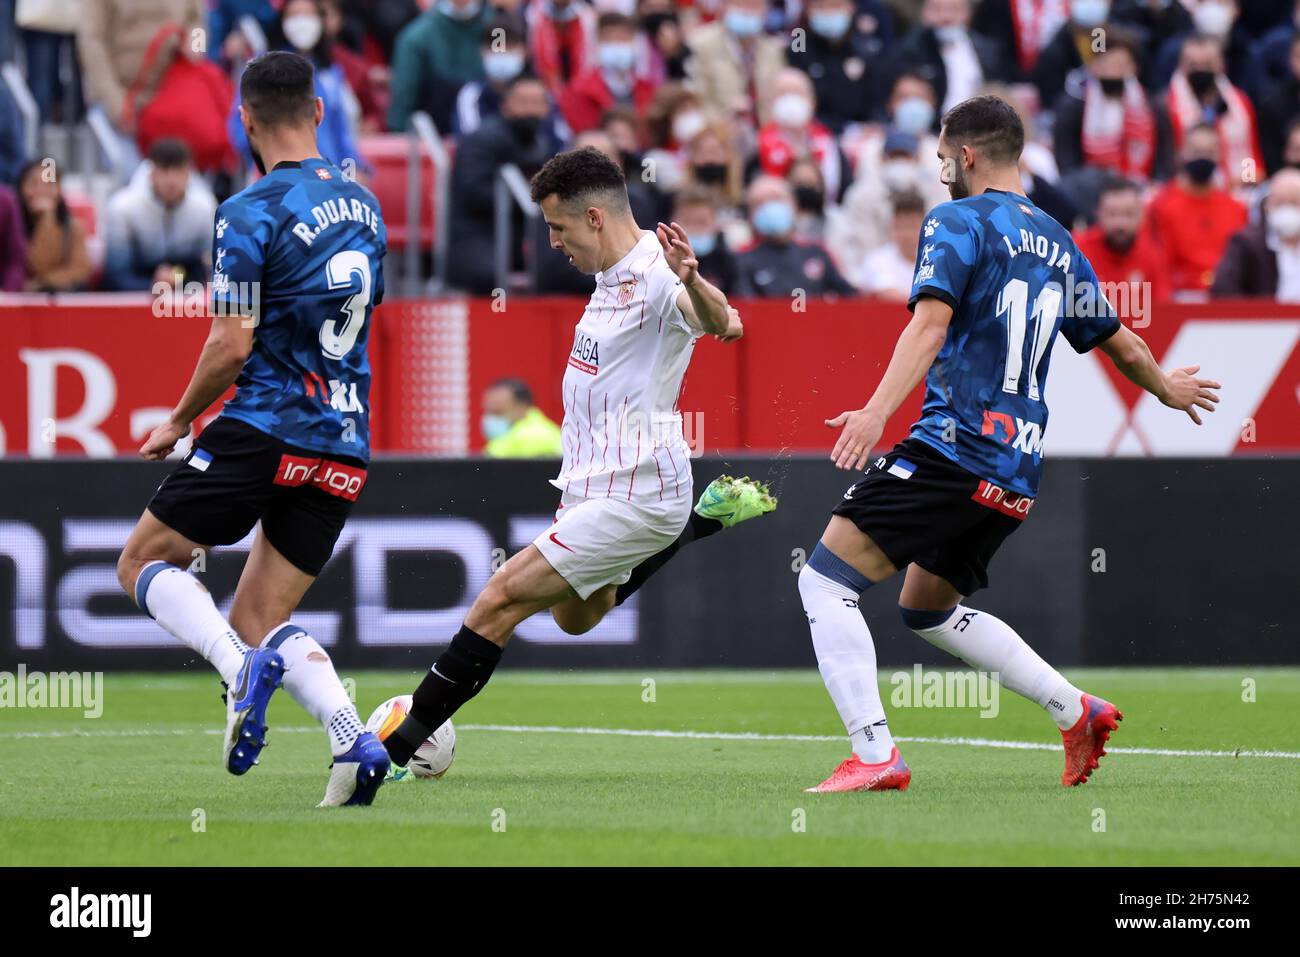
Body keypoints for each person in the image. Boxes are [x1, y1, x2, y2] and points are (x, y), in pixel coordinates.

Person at [800, 95, 1220, 793]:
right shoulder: (1060, 239)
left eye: (942, 158)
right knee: (925, 606)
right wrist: (1166, 389)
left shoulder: (957, 221)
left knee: (824, 579)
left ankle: (875, 754)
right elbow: (1120, 341)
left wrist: (875, 412)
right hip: (1017, 466)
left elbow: (930, 327)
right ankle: (1074, 709)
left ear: (967, 155)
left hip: (952, 446)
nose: (940, 172)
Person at [379, 147, 774, 774]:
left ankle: (384, 757)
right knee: (575, 618)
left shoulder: (658, 274)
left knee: (500, 598)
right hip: (590, 483)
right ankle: (701, 522)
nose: (553, 244)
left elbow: (727, 325)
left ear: (594, 217)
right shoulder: (606, 275)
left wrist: (693, 279)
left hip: (640, 488)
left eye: (558, 229)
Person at [114, 52, 391, 808]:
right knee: (265, 613)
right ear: (320, 112)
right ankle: (353, 739)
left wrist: (178, 418)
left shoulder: (247, 210)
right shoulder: (367, 208)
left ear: (244, 120)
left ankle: (238, 671)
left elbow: (233, 341)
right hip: (343, 439)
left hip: (266, 424)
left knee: (142, 561)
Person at [1145, 122, 1247, 294]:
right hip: (1179, 297)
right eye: (1196, 151)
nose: (1203, 158)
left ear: (1220, 155)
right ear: (1181, 154)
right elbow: (1157, 263)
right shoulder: (1160, 206)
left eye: (1209, 152)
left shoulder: (1236, 209)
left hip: (1226, 297)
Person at [102, 139, 217, 292]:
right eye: (164, 170)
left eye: (178, 170)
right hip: (134, 293)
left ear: (189, 174)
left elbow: (211, 270)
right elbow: (116, 274)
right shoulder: (122, 209)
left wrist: (176, 279)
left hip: (186, 287)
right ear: (151, 174)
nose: (171, 180)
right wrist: (152, 286)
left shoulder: (205, 207)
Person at [734, 175, 857, 297]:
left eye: (775, 199)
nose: (769, 207)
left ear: (794, 205)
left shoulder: (817, 252)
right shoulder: (740, 259)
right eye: (759, 203)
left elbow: (851, 297)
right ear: (750, 215)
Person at [1074, 176, 1171, 306]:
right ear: (1098, 214)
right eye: (1112, 214)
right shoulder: (1078, 252)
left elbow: (1165, 308)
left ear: (1142, 216)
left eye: (1128, 214)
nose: (1120, 223)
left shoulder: (1153, 254)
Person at [1212, 167, 1300, 299]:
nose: (1287, 209)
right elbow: (1224, 290)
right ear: (1267, 206)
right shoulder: (1246, 244)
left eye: (1294, 203)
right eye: (1280, 203)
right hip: (1265, 318)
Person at [16, 159, 92, 293]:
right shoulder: (11, 226)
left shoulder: (73, 228)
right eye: (33, 184)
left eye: (48, 184)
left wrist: (47, 217)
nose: (40, 191)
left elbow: (79, 271)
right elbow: (34, 265)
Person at [856, 190, 924, 299]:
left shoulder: (933, 262)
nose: (907, 234)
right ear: (893, 225)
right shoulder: (876, 261)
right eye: (901, 227)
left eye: (912, 227)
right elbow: (888, 295)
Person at [481, 378, 563, 457]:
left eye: (498, 412)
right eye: (488, 411)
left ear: (522, 407)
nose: (491, 418)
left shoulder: (534, 436)